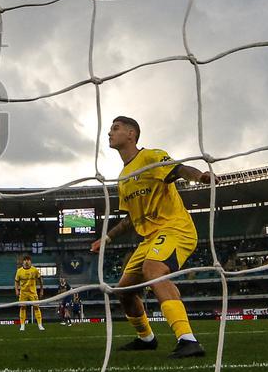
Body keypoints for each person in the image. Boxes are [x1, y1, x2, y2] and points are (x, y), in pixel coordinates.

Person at [90, 116, 211, 359]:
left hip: (175, 228)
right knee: (124, 291)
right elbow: (130, 219)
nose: (109, 133)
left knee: (153, 270)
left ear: (131, 134)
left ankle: (188, 340)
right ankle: (147, 338)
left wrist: (200, 177)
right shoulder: (123, 178)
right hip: (149, 238)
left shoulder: (152, 157)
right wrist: (108, 238)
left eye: (116, 128)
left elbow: (179, 170)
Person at [14, 255, 44, 331]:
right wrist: (17, 290)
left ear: (30, 261)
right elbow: (16, 281)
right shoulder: (19, 271)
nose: (26, 261)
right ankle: (22, 325)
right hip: (23, 293)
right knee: (22, 308)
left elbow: (40, 280)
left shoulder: (34, 270)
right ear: (23, 262)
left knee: (36, 307)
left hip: (32, 292)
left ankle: (40, 325)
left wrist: (41, 290)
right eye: (25, 260)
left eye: (28, 260)